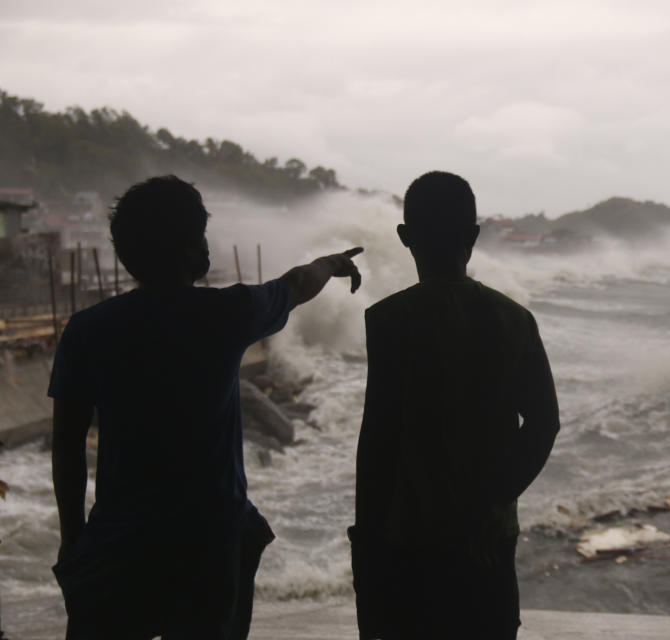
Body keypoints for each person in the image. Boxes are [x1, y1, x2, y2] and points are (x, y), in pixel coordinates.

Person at [49, 175, 363, 639]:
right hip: (209, 545)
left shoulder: (88, 330)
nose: (206, 246)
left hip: (119, 546)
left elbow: (68, 446)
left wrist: (73, 540)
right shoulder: (227, 314)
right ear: (187, 247)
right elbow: (297, 284)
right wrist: (331, 262)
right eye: (200, 235)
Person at [349, 171, 560, 640]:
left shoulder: (387, 320)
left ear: (406, 238)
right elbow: (545, 423)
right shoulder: (514, 319)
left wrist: (366, 540)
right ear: (474, 236)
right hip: (489, 537)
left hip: (407, 535)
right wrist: (492, 502)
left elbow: (379, 439)